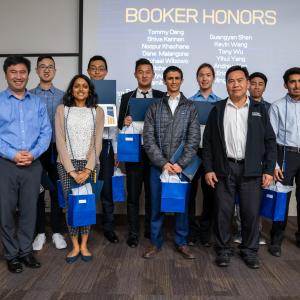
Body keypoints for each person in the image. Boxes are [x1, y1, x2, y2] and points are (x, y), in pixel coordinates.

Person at [203, 65, 276, 269]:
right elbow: (207, 142)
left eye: (239, 80)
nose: (235, 84)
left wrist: (269, 170)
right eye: (231, 81)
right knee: (223, 213)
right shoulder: (217, 109)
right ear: (226, 85)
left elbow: (270, 142)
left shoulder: (259, 109)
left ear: (246, 83)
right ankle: (224, 250)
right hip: (224, 169)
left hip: (251, 170)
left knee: (251, 213)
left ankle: (250, 251)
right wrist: (209, 168)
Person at [0, 55, 51, 273]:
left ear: (28, 75)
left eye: (22, 72)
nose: (18, 77)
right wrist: (12, 154)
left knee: (30, 211)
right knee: (6, 211)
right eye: (13, 72)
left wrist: (33, 153)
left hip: (32, 164)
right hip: (5, 164)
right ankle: (11, 254)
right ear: (6, 75)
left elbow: (46, 132)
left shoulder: (37, 103)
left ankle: (25, 251)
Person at [143, 66, 200, 259]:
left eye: (177, 78)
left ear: (181, 80)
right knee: (156, 205)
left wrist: (181, 164)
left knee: (181, 207)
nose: (173, 81)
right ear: (165, 81)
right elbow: (148, 139)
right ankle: (155, 242)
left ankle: (182, 242)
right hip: (158, 167)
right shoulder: (155, 106)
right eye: (170, 78)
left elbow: (194, 140)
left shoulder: (190, 107)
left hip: (180, 168)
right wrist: (163, 163)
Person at [55, 74, 104, 263]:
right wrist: (71, 170)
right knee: (70, 205)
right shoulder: (62, 110)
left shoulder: (97, 111)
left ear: (90, 89)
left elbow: (97, 143)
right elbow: (60, 140)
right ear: (71, 89)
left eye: (85, 86)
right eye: (77, 86)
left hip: (90, 165)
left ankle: (84, 244)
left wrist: (87, 169)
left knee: (87, 203)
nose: (81, 89)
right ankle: (75, 246)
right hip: (66, 165)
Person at [118, 58, 164, 247]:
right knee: (133, 195)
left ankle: (149, 230)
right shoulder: (127, 97)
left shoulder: (162, 96)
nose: (144, 75)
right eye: (140, 71)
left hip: (155, 153)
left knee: (153, 195)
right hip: (134, 152)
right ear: (135, 74)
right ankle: (134, 233)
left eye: (148, 72)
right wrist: (125, 122)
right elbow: (119, 124)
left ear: (153, 75)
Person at [31, 55, 67, 251]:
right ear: (36, 71)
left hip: (57, 150)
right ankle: (40, 233)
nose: (46, 70)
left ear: (55, 70)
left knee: (56, 191)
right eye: (42, 67)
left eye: (50, 67)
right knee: (37, 192)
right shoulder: (28, 95)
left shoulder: (63, 96)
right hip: (36, 152)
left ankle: (56, 232)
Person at [233, 71, 270, 245]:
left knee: (253, 205)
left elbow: (269, 139)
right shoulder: (228, 107)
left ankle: (252, 241)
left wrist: (270, 167)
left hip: (257, 164)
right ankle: (240, 233)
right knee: (238, 204)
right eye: (253, 83)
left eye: (259, 83)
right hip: (233, 163)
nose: (256, 87)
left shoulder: (265, 109)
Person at [188, 63, 221, 246]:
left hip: (212, 155)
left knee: (210, 195)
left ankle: (205, 233)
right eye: (201, 75)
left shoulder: (221, 102)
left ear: (213, 78)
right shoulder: (190, 101)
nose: (204, 78)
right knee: (190, 194)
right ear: (197, 78)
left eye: (208, 75)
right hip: (192, 153)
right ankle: (191, 233)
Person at [268, 67, 300, 257]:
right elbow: (271, 139)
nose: (297, 85)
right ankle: (276, 239)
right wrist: (275, 164)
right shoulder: (277, 106)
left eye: (299, 81)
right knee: (282, 199)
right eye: (292, 81)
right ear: (285, 84)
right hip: (285, 154)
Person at [87, 55, 119, 243]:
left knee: (106, 190)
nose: (97, 71)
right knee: (86, 187)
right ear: (88, 71)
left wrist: (116, 150)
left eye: (101, 68)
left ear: (106, 72)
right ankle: (84, 226)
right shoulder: (80, 93)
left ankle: (109, 227)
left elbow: (113, 127)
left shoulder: (111, 94)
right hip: (85, 148)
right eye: (93, 68)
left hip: (105, 147)